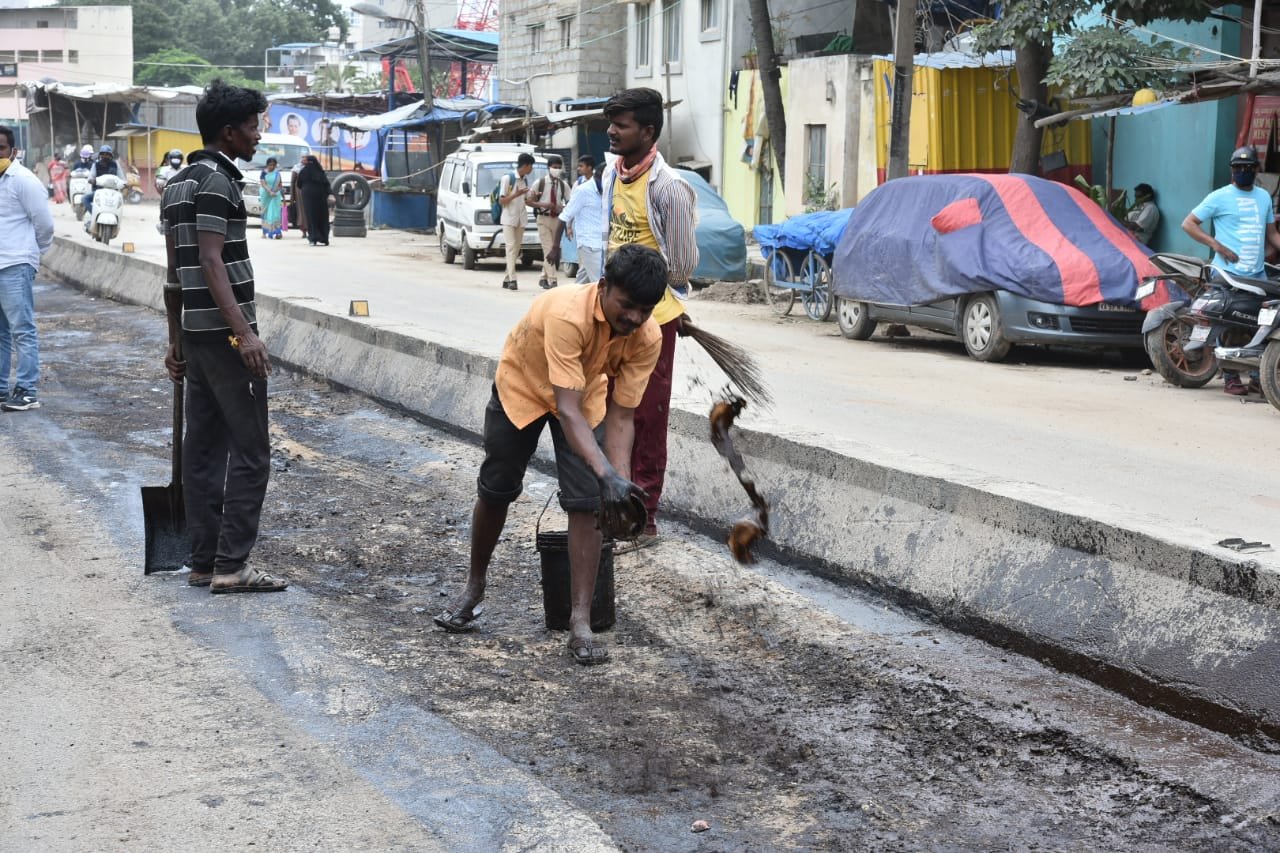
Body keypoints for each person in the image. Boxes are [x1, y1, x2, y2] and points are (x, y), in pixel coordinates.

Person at [433, 243, 668, 664]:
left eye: (645, 310)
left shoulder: (647, 336)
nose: (634, 318)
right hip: (523, 385)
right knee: (497, 487)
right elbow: (566, 408)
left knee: (587, 502)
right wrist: (606, 473)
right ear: (603, 287)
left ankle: (580, 622)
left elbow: (621, 416)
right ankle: (474, 586)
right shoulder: (567, 315)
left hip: (583, 395)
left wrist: (618, 482)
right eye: (627, 305)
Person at [552, 86, 698, 549]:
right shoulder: (612, 175)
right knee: (608, 410)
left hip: (654, 318)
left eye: (622, 125)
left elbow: (682, 265)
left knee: (646, 418)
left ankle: (644, 519)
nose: (612, 132)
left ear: (648, 132)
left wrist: (656, 303)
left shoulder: (669, 188)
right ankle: (614, 509)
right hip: (611, 314)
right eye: (611, 124)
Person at [160, 79, 287, 594]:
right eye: (253, 127)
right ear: (229, 132)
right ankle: (232, 566)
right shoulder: (218, 182)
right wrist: (245, 335)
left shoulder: (176, 184)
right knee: (252, 452)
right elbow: (211, 262)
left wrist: (176, 340)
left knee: (204, 450)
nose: (258, 136)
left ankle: (203, 561)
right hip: (227, 340)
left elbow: (174, 275)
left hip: (196, 337)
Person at [1183, 146, 1280, 396]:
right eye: (1238, 167)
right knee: (1228, 324)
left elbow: (1272, 234)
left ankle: (1258, 377)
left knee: (1260, 325)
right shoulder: (1218, 197)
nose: (1243, 171)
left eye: (1248, 167)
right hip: (1228, 275)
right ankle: (1230, 376)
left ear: (1256, 169)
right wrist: (1217, 246)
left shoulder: (1264, 197)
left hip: (1257, 276)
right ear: (1232, 170)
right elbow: (1189, 223)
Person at [0, 125, 55, 412]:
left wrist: (31, 256)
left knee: (22, 330)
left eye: (0, 148)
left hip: (15, 264)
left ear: (13, 151)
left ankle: (26, 391)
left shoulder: (23, 180)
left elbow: (44, 224)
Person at [551, 162, 604, 283]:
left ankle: (573, 295)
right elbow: (564, 217)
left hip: (602, 243)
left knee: (582, 282)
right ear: (600, 176)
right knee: (601, 282)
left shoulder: (607, 190)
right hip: (589, 244)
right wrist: (555, 247)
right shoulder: (583, 191)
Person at [527, 154, 572, 290]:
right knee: (548, 248)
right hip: (543, 218)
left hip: (557, 219)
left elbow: (570, 203)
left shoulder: (563, 185)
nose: (556, 170)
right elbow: (529, 201)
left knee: (554, 249)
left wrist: (562, 208)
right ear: (548, 167)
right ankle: (553, 280)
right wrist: (543, 204)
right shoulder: (539, 183)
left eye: (559, 167)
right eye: (554, 167)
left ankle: (543, 276)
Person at [498, 152, 535, 290]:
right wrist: (516, 194)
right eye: (531, 166)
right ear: (525, 165)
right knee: (511, 247)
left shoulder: (524, 180)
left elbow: (526, 200)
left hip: (521, 218)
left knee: (515, 250)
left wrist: (532, 196)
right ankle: (513, 279)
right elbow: (502, 200)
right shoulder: (508, 178)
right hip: (508, 218)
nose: (531, 169)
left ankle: (507, 278)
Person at [295, 155, 331, 246]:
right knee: (322, 217)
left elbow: (299, 184)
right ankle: (324, 238)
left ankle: (313, 238)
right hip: (321, 198)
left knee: (311, 217)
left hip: (308, 197)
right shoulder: (320, 172)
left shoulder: (304, 171)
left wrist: (306, 189)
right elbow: (327, 185)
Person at [82, 143, 122, 215]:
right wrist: (92, 181)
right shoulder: (95, 165)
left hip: (113, 191)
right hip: (98, 191)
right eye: (103, 154)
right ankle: (94, 215)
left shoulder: (116, 164)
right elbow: (90, 177)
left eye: (107, 154)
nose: (105, 156)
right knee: (84, 199)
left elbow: (121, 178)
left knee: (120, 201)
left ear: (110, 155)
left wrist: (124, 184)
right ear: (100, 155)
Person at [258, 157, 283, 239]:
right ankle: (265, 232)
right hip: (265, 195)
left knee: (275, 213)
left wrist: (276, 191)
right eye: (270, 165)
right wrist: (270, 192)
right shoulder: (264, 172)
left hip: (275, 195)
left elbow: (280, 185)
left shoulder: (277, 173)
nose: (271, 166)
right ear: (267, 165)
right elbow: (263, 183)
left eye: (273, 165)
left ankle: (277, 232)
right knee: (265, 213)